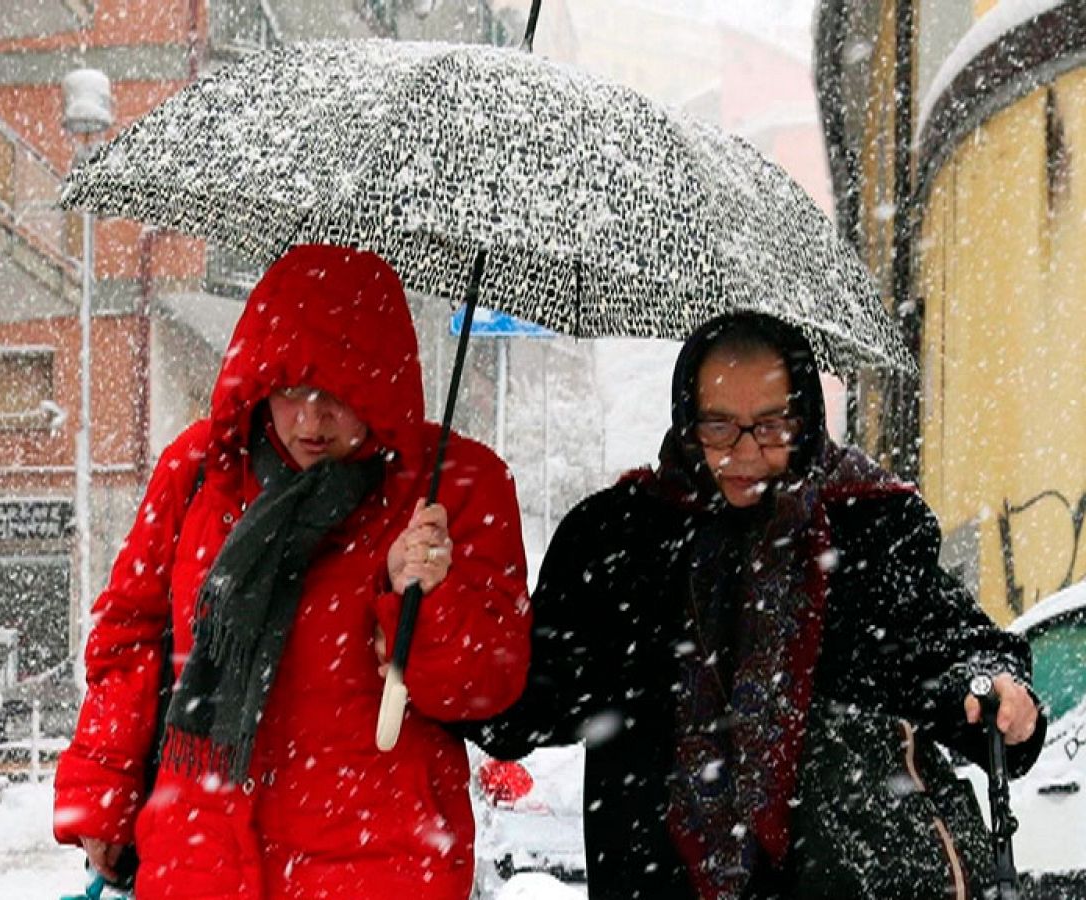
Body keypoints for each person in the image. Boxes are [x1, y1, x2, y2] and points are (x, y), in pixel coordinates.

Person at [474, 311, 1045, 899]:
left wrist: (996, 689)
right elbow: (523, 703)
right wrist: (442, 624)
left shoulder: (866, 527)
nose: (745, 453)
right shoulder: (621, 540)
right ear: (685, 419)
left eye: (771, 426)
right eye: (719, 426)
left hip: (831, 880)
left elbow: (954, 653)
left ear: (805, 418)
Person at [52, 244, 532, 899]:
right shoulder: (201, 469)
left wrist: (417, 598)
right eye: (289, 387)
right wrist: (101, 790)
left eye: (335, 393)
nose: (309, 419)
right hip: (200, 861)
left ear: (380, 385)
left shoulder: (456, 486)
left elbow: (486, 688)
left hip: (379, 867)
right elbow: (130, 634)